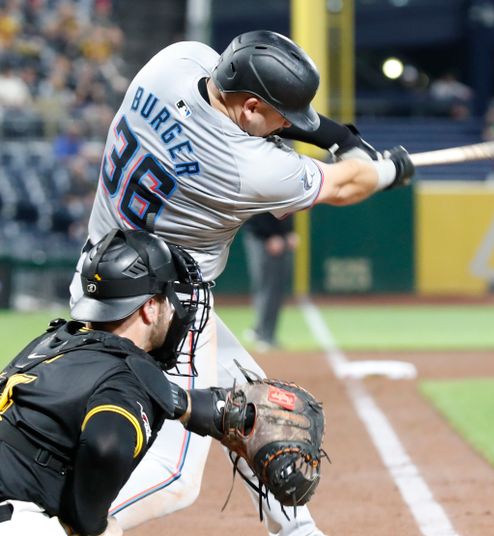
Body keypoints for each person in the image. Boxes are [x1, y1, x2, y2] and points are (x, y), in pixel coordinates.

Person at [70, 30, 414, 536]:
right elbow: (346, 185)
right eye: (279, 117)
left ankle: (298, 530)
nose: (286, 128)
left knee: (256, 412)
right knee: (175, 476)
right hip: (162, 315)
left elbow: (266, 113)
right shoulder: (246, 169)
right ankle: (61, 523)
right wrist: (385, 171)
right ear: (250, 106)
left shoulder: (171, 64)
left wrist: (341, 138)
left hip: (99, 277)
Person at [0, 229, 213, 535]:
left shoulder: (55, 342)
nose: (174, 310)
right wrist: (92, 524)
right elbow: (106, 446)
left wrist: (204, 409)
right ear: (150, 307)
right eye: (169, 298)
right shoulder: (128, 373)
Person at [243, 212, 296, 351]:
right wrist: (270, 234)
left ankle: (260, 331)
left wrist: (289, 231)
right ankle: (265, 336)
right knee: (269, 288)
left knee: (271, 288)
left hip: (276, 237)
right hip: (263, 238)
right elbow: (260, 208)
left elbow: (288, 206)